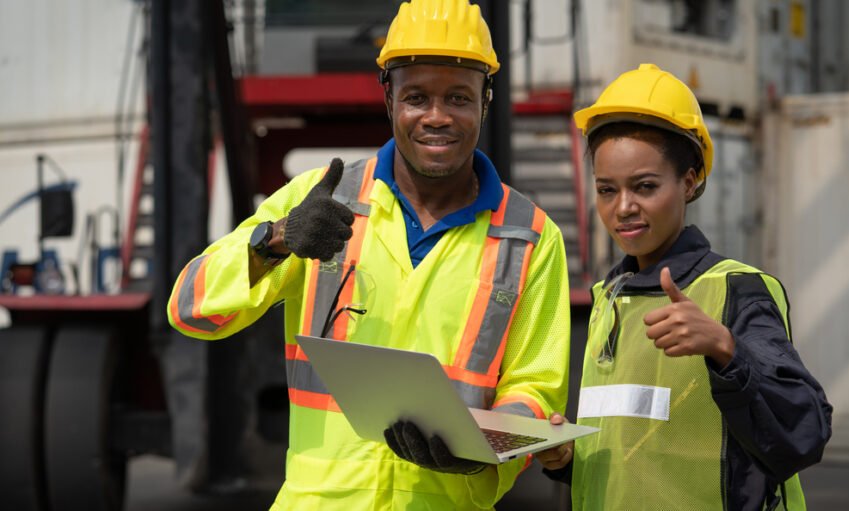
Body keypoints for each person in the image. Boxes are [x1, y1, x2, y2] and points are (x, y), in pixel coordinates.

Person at [167, 0, 571, 509]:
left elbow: (536, 388)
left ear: (485, 101)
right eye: (417, 97)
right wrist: (276, 240)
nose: (437, 117)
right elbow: (190, 311)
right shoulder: (319, 201)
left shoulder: (529, 236)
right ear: (388, 96)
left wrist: (486, 450)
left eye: (459, 98)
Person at [535, 64, 832, 510]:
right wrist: (568, 461)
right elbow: (641, 454)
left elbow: (804, 434)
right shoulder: (606, 300)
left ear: (689, 182)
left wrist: (728, 350)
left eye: (644, 186)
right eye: (607, 190)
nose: (623, 207)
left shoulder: (735, 290)